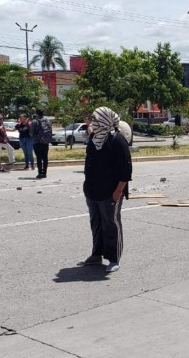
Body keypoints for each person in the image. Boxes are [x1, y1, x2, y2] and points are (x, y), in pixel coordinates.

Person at [78, 107, 132, 273]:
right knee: (96, 223)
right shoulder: (94, 139)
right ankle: (97, 254)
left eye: (96, 118)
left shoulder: (117, 140)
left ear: (104, 120)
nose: (93, 121)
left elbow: (126, 169)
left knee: (111, 223)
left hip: (110, 192)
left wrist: (118, 191)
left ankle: (114, 258)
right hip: (93, 190)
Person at [30, 109, 51, 179]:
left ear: (36, 114)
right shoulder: (47, 121)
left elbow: (31, 133)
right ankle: (44, 173)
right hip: (45, 142)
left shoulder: (34, 121)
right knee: (45, 158)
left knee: (39, 158)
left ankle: (40, 173)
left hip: (37, 142)